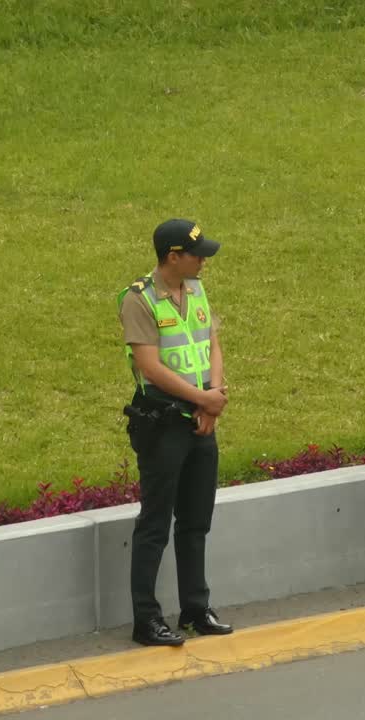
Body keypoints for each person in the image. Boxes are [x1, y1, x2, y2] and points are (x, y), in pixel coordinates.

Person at [116, 219, 234, 646]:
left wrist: (214, 395)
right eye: (197, 254)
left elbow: (211, 343)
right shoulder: (139, 300)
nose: (204, 260)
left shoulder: (196, 289)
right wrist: (203, 400)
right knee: (155, 520)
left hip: (202, 413)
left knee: (196, 519)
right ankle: (146, 619)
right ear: (172, 257)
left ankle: (196, 608)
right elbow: (150, 367)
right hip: (164, 421)